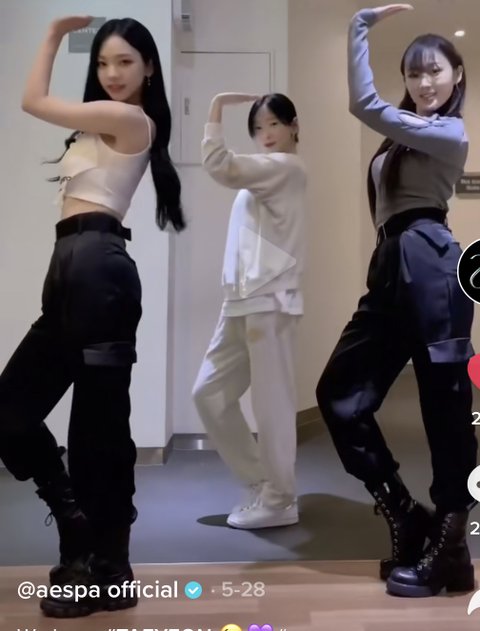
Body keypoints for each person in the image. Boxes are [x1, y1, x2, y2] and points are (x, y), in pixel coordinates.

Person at [0, 15, 184, 618]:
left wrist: (53, 34)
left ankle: (104, 565)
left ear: (149, 67)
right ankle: (75, 520)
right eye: (103, 63)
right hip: (70, 271)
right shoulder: (99, 122)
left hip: (100, 270)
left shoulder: (133, 119)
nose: (112, 73)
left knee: (97, 431)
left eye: (125, 61)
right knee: (11, 411)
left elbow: (32, 101)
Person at [316, 4, 477, 597]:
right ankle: (407, 516)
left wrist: (358, 27)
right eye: (414, 73)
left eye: (435, 70)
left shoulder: (450, 132)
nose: (425, 81)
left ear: (456, 75)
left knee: (444, 408)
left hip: (431, 264)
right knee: (339, 394)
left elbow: (363, 103)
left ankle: (451, 545)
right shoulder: (401, 135)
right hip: (390, 264)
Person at [192, 92, 307, 529]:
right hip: (241, 301)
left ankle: (280, 500)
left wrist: (215, 107)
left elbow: (219, 164)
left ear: (294, 127)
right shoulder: (264, 174)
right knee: (209, 393)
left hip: (271, 300)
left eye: (274, 124)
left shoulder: (287, 168)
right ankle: (262, 481)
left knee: (272, 405)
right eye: (258, 128)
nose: (266, 134)